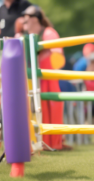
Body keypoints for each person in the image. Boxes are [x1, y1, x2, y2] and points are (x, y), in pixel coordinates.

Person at [22, 6, 68, 150]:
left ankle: (53, 143)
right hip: (32, 79)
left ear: (35, 18)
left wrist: (42, 54)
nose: (24, 19)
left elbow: (58, 58)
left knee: (51, 109)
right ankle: (38, 142)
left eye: (27, 17)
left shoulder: (48, 32)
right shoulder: (26, 35)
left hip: (47, 78)